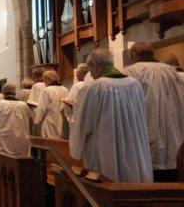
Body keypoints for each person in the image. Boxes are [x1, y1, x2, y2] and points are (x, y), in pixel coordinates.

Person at [70, 48, 152, 182]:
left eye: (89, 68)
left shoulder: (94, 88)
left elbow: (83, 124)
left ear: (96, 65)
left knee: (108, 181)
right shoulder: (134, 84)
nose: (90, 73)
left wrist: (76, 150)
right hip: (133, 146)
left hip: (105, 148)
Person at [125, 43, 184, 182]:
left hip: (146, 132)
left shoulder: (131, 71)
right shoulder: (171, 71)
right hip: (173, 133)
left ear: (133, 55)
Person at [0, 83, 31, 157]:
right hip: (21, 145)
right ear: (15, 92)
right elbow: (29, 120)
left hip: (1, 145)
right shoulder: (23, 105)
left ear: (3, 92)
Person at [34, 70, 69, 139]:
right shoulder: (65, 89)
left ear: (47, 79)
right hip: (63, 123)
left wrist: (36, 122)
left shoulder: (46, 90)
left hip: (50, 122)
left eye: (44, 79)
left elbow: (42, 108)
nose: (44, 82)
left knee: (50, 145)